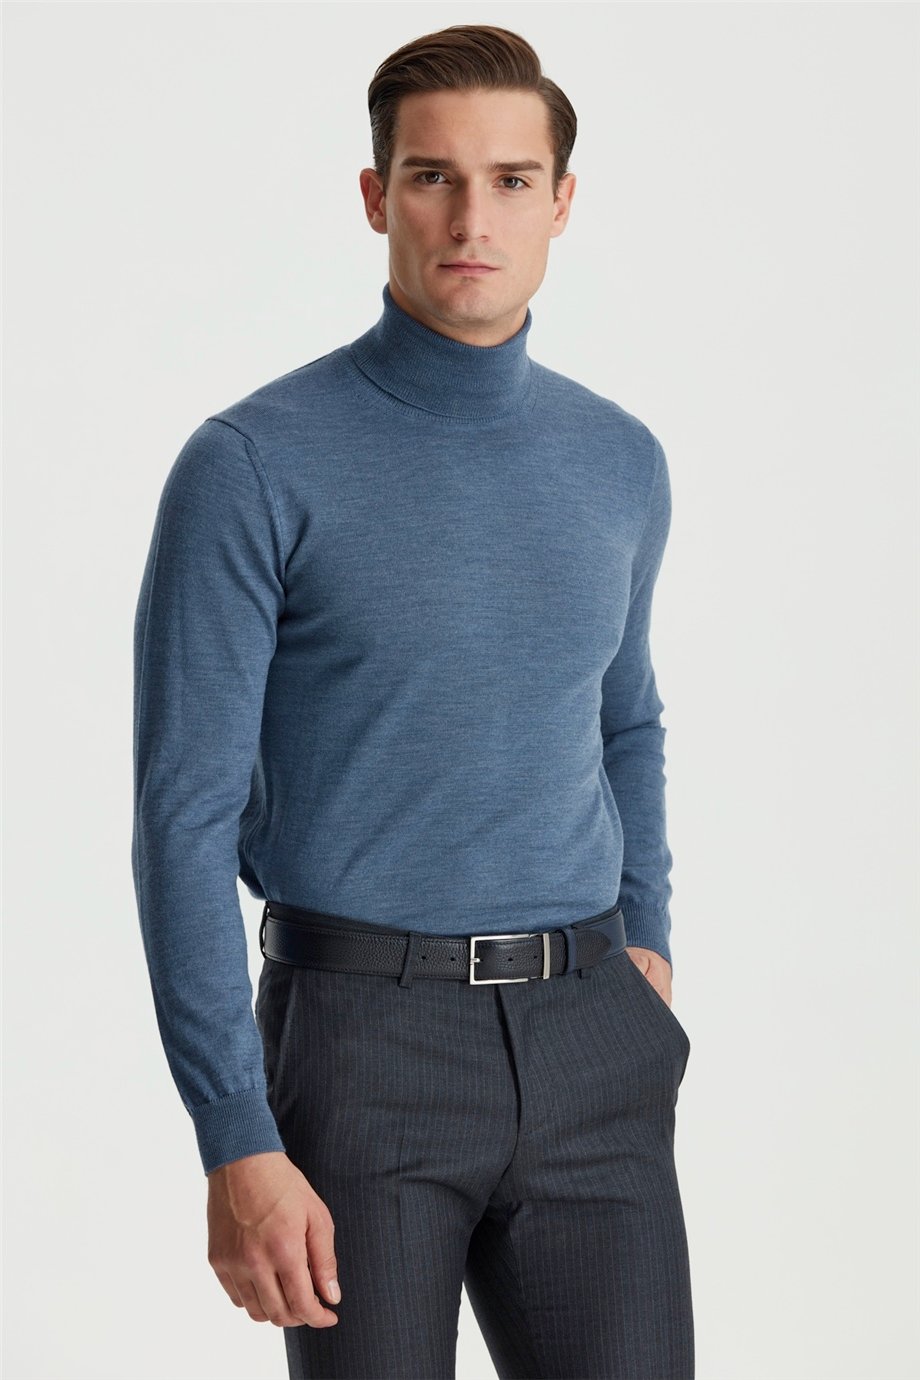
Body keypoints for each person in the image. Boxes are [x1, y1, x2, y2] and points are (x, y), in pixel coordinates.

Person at [131, 22, 694, 1380]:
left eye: (511, 180)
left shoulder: (619, 459)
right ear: (378, 196)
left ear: (562, 202)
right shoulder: (252, 464)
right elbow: (182, 820)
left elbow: (623, 718)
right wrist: (235, 1134)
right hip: (360, 1043)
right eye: (434, 177)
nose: (472, 219)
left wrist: (650, 946)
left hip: (593, 1037)